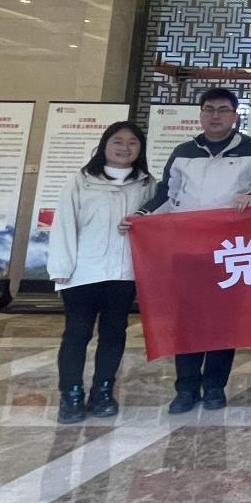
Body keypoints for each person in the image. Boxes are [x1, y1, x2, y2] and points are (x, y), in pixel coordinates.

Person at [134, 87, 251, 414]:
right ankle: (185, 388)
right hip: (187, 252)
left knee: (224, 323)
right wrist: (141, 217)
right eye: (209, 109)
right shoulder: (184, 152)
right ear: (200, 114)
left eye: (223, 110)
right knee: (187, 322)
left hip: (230, 252)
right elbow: (166, 194)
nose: (215, 116)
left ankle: (214, 386)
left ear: (235, 116)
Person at [48, 121, 154, 424]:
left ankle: (103, 391)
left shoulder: (147, 185)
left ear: (140, 149)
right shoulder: (81, 181)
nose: (125, 148)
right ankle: (70, 395)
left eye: (132, 142)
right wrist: (61, 267)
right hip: (83, 273)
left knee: (113, 333)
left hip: (123, 274)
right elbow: (64, 224)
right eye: (117, 141)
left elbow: (158, 225)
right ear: (105, 145)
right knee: (77, 333)